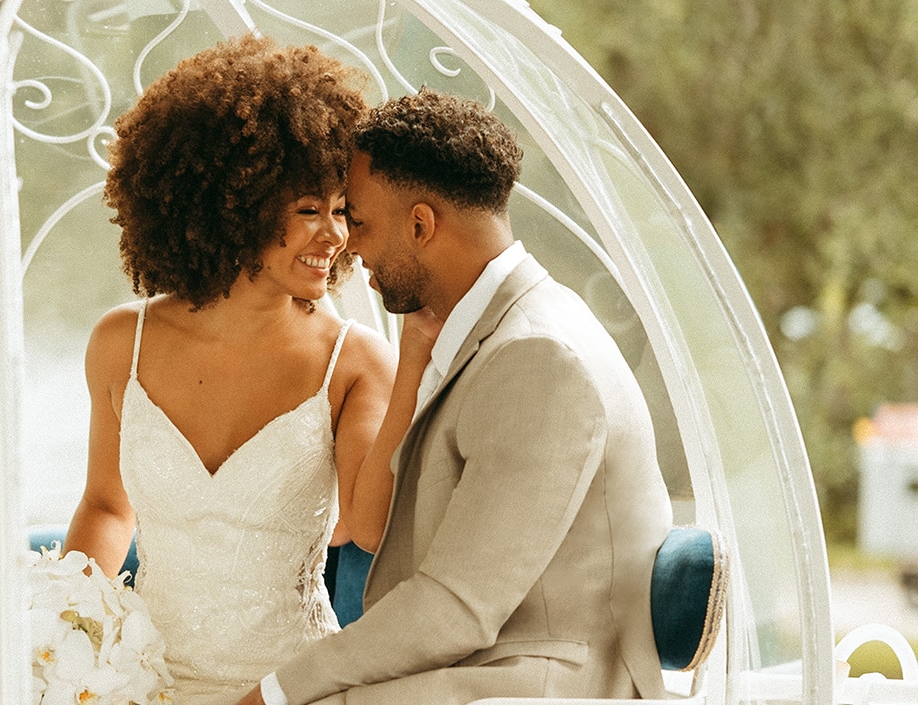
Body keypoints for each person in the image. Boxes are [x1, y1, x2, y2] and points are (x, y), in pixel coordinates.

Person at [235, 89, 672, 705]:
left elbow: (457, 606)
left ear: (421, 223)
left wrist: (274, 691)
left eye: (358, 220)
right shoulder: (516, 324)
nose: (348, 248)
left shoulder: (537, 359)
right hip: (485, 666)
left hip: (537, 683)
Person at [60, 36, 400, 705]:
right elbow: (105, 507)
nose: (333, 235)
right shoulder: (118, 342)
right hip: (142, 683)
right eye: (308, 209)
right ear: (231, 200)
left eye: (342, 210)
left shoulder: (354, 362)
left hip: (290, 689)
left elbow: (365, 529)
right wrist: (64, 643)